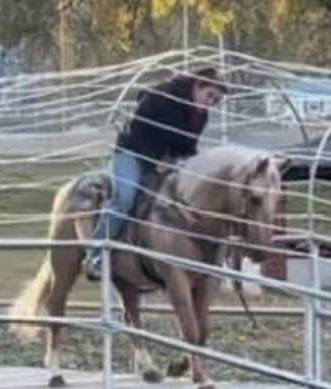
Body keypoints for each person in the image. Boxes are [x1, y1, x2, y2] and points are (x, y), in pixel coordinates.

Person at [83, 66, 227, 280]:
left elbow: (187, 147)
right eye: (210, 95)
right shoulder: (161, 97)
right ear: (197, 86)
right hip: (132, 154)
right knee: (125, 199)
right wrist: (156, 163)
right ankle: (94, 255)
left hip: (162, 163)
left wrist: (186, 162)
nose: (211, 103)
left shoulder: (200, 117)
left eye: (216, 101)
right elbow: (139, 130)